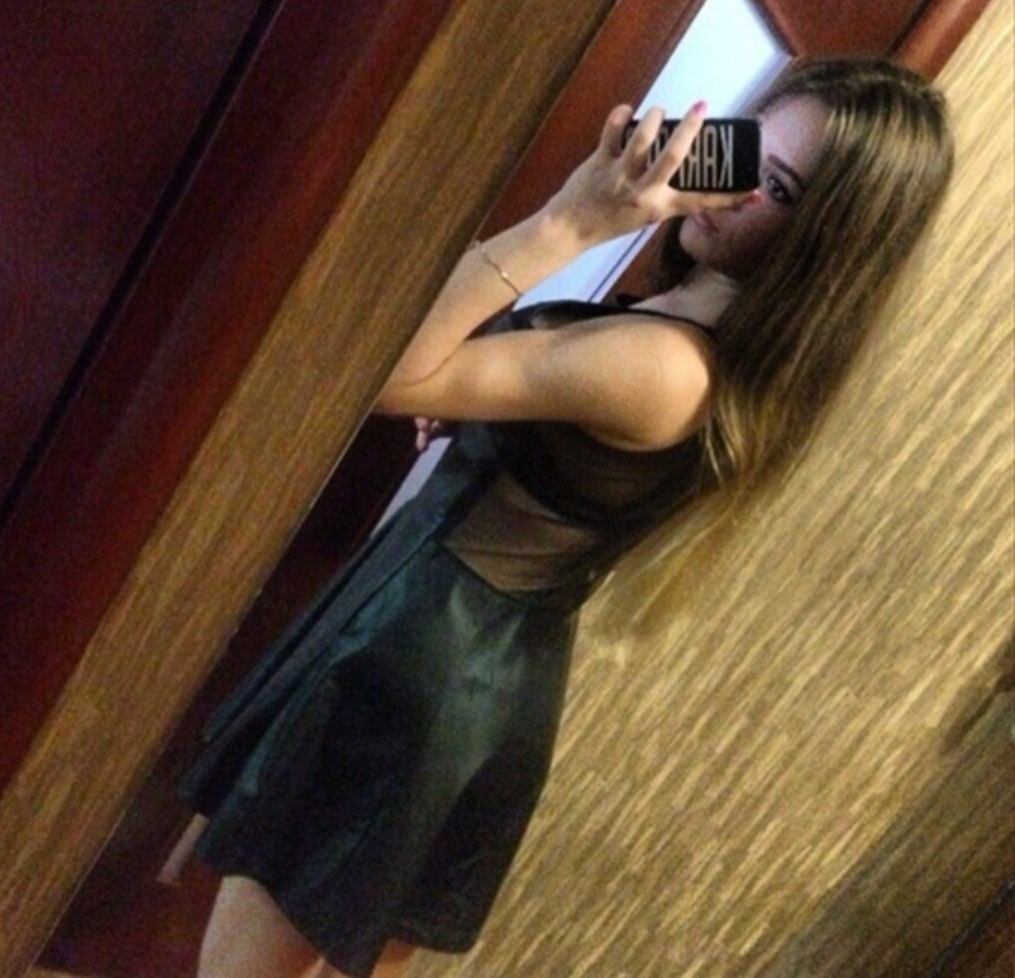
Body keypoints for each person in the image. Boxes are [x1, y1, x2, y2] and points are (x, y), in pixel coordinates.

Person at [169, 57, 953, 977]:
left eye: (777, 190)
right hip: (470, 666)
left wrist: (573, 221)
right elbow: (481, 396)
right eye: (744, 153)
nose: (734, 190)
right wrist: (490, 426)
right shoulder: (698, 333)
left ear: (827, 241)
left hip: (417, 661)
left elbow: (382, 373)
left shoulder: (669, 367)